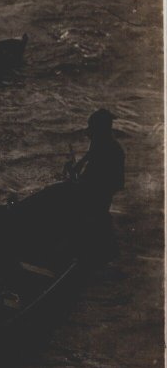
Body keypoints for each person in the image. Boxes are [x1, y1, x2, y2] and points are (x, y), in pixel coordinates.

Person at [64, 108, 125, 262]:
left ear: (100, 130)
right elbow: (91, 155)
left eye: (92, 128)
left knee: (94, 217)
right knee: (98, 216)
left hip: (99, 191)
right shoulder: (104, 142)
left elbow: (96, 176)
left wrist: (77, 177)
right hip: (100, 190)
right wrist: (79, 166)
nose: (89, 131)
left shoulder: (109, 148)